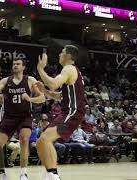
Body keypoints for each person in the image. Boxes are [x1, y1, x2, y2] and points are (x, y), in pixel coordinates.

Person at [35, 45, 87, 180]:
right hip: (68, 111)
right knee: (41, 141)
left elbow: (53, 84)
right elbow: (59, 96)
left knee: (45, 139)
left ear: (68, 56)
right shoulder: (71, 71)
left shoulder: (69, 69)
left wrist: (40, 69)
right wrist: (45, 91)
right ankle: (50, 173)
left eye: (62, 52)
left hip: (72, 112)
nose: (59, 54)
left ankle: (53, 175)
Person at [0, 58, 46, 180]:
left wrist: (30, 99)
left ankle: (23, 173)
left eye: (18, 64)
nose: (15, 66)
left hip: (24, 117)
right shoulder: (6, 80)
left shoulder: (30, 80)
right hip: (8, 117)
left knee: (24, 139)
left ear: (23, 67)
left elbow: (42, 98)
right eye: (13, 64)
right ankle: (2, 172)